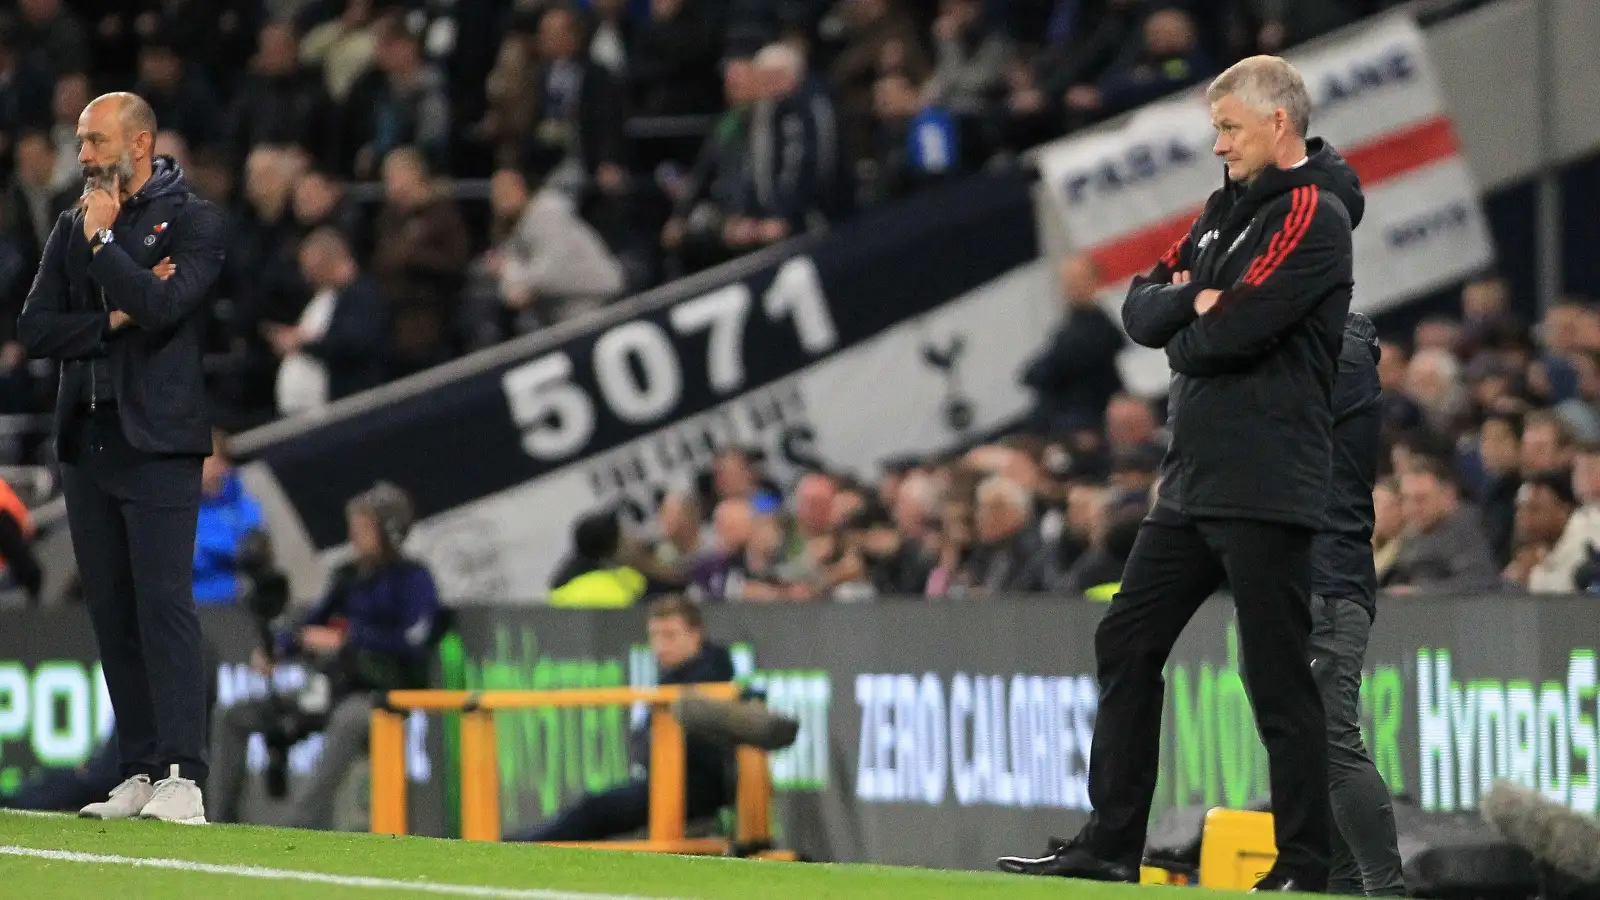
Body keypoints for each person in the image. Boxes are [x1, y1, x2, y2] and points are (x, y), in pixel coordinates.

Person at [998, 55, 1362, 891]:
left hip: (1268, 478)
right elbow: (1140, 303)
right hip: (1195, 478)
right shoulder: (1224, 208)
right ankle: (1111, 844)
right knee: (1126, 636)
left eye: (1229, 128)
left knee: (1275, 676)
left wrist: (1194, 314)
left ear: (1279, 124)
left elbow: (1231, 331)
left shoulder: (1314, 214)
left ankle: (1308, 864)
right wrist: (1191, 301)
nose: (1217, 145)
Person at [17, 91, 227, 823]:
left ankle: (183, 776)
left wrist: (107, 252)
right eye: (80, 141)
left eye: (95, 141)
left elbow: (169, 310)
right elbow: (36, 327)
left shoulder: (195, 220)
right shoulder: (76, 223)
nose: (83, 156)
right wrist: (114, 315)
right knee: (112, 610)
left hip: (159, 441)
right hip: (88, 439)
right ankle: (140, 767)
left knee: (164, 603)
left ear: (140, 144)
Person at [207, 482, 441, 827]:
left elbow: (413, 643)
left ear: (389, 532)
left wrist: (348, 641)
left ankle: (296, 826)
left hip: (381, 694)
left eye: (364, 528)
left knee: (347, 721)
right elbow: (311, 621)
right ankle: (218, 821)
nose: (354, 536)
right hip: (333, 686)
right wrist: (279, 651)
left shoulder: (414, 581)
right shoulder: (348, 576)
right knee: (235, 715)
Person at [1309, 313, 1405, 896]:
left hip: (1321, 575)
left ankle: (1383, 891)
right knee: (1303, 745)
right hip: (1284, 576)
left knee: (1329, 741)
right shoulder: (1314, 347)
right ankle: (1341, 888)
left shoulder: (1337, 353)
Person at [508, 595, 734, 842]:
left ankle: (519, 846)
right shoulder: (682, 675)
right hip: (665, 780)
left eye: (670, 635)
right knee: (595, 807)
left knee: (595, 809)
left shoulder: (712, 679)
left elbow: (702, 747)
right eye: (655, 636)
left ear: (695, 635)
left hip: (694, 787)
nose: (661, 645)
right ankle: (518, 844)